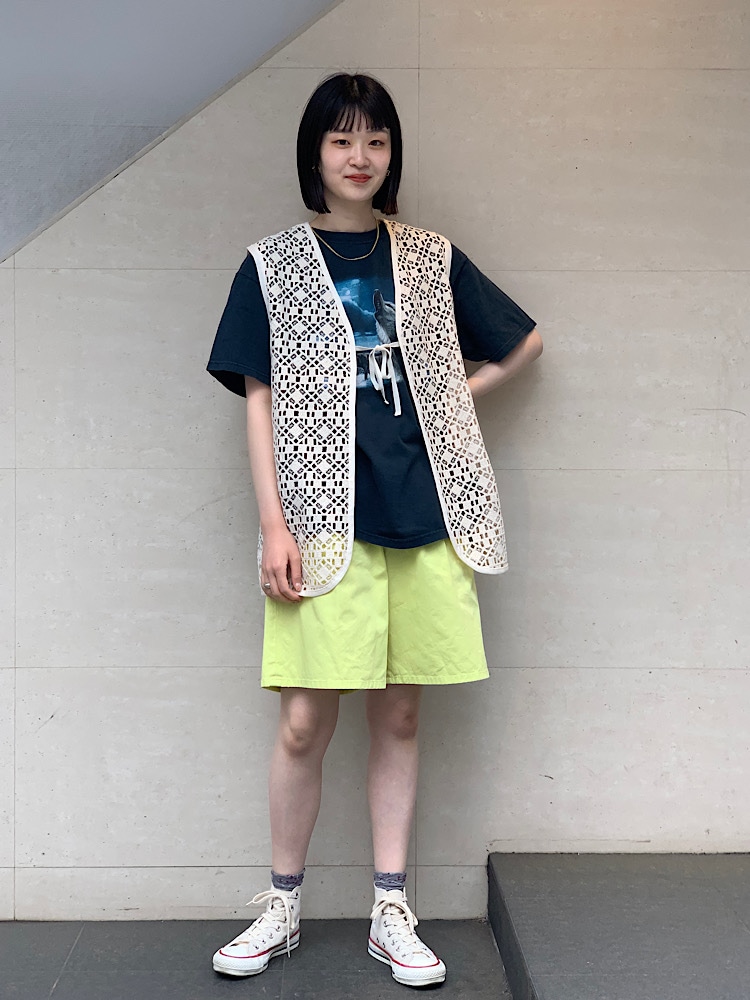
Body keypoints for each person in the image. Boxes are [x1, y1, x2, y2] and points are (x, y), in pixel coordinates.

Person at [206, 72, 542, 989]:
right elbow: (258, 399)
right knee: (304, 721)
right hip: (321, 522)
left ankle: (391, 907)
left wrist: (450, 397)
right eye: (342, 139)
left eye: (377, 140)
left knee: (399, 712)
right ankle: (281, 905)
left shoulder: (429, 257)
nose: (360, 157)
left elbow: (523, 342)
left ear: (393, 154)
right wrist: (274, 524)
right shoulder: (272, 264)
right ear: (314, 152)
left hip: (427, 515)